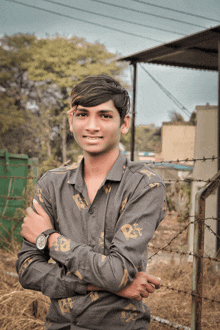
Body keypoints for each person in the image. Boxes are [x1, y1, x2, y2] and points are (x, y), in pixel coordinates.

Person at [16, 74, 166, 330]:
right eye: (83, 114)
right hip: (59, 325)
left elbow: (117, 272)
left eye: (105, 116)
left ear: (124, 123)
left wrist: (50, 238)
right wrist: (99, 284)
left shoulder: (145, 185)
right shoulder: (51, 184)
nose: (92, 126)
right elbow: (28, 270)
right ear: (71, 121)